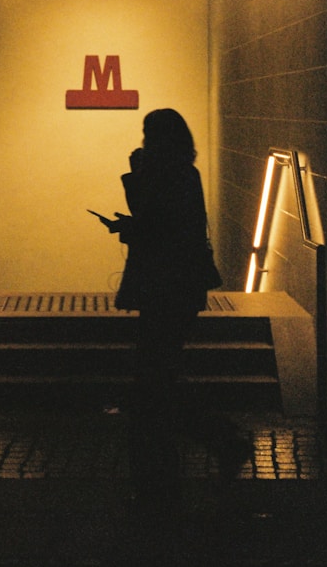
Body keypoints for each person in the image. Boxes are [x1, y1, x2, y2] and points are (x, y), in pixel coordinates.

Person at [95, 108, 250, 509]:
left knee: (155, 377)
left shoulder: (169, 175)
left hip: (165, 286)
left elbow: (153, 223)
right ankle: (213, 442)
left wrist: (135, 180)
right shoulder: (184, 173)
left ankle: (211, 444)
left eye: (149, 134)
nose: (144, 140)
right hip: (179, 287)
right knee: (160, 373)